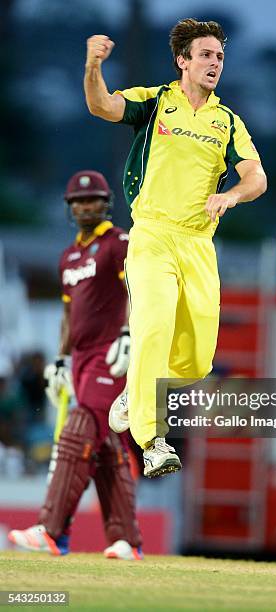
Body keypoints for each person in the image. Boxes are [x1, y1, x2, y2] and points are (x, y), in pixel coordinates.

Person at [83, 19, 267, 477]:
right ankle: (153, 440)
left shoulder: (227, 121)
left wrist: (232, 194)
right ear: (182, 61)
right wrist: (92, 66)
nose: (214, 63)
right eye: (205, 55)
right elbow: (102, 105)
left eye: (220, 57)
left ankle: (135, 392)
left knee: (197, 360)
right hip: (152, 236)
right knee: (153, 326)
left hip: (198, 243)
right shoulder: (155, 101)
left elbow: (256, 176)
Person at [8, 170, 143, 561]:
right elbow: (70, 316)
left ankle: (51, 530)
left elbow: (138, 288)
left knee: (81, 427)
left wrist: (128, 334)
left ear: (106, 203)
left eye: (93, 200)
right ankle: (127, 539)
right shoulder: (68, 256)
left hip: (110, 355)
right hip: (81, 359)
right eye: (78, 202)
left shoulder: (118, 243)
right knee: (104, 445)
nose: (86, 206)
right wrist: (61, 358)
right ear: (70, 208)